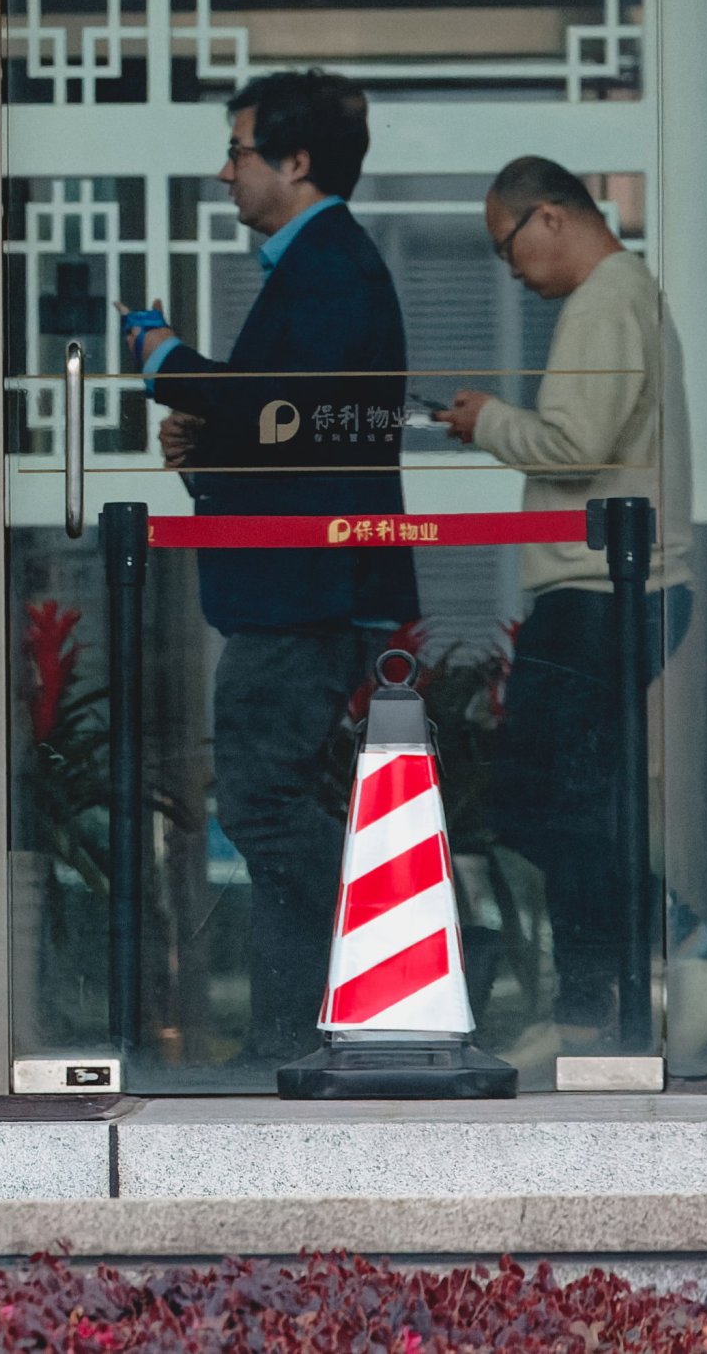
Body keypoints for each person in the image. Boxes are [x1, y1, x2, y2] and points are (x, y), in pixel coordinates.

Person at [132, 67, 414, 1067]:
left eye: (239, 151)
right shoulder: (319, 265)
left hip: (306, 592)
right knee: (273, 799)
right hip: (298, 583)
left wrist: (170, 365)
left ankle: (409, 936)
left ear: (295, 161)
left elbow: (283, 412)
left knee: (262, 802)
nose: (224, 173)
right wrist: (208, 445)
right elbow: (295, 427)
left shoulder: (332, 266)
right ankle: (286, 1038)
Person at [443, 154, 707, 1058]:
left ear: (547, 218)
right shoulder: (624, 295)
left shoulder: (606, 297)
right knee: (577, 799)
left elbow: (574, 444)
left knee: (535, 794)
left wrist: (483, 421)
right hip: (613, 589)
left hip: (603, 590)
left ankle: (682, 937)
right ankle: (594, 1007)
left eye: (508, 247)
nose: (512, 271)